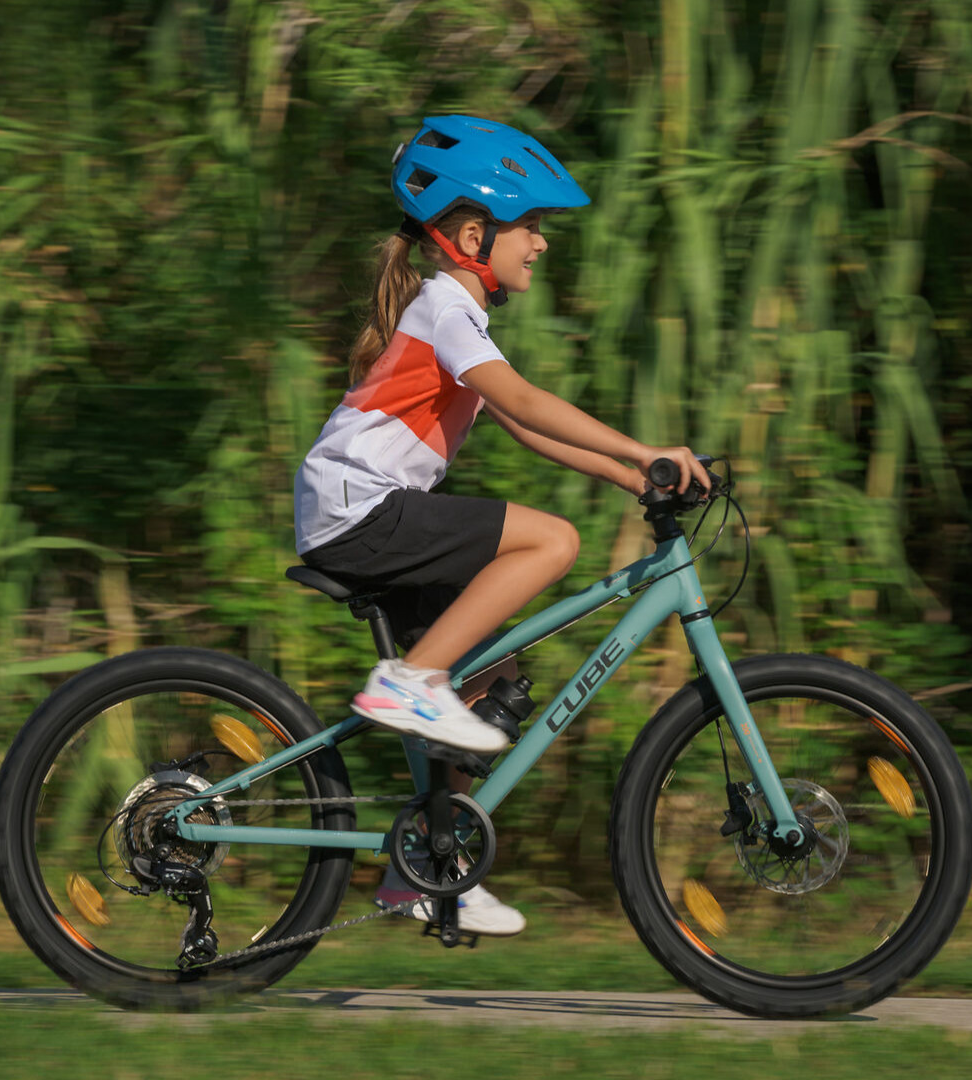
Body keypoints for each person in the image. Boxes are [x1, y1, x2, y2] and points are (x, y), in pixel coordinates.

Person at [293, 115, 702, 934]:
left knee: (483, 675)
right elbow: (522, 401)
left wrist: (636, 478)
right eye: (533, 228)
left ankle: (427, 873)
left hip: (365, 512)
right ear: (472, 235)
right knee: (554, 540)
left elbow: (524, 430)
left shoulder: (457, 316)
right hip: (359, 508)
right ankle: (406, 684)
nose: (543, 245)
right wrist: (647, 445)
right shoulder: (445, 305)